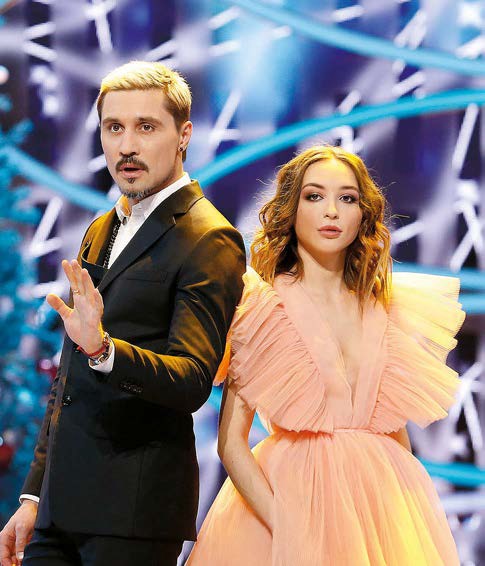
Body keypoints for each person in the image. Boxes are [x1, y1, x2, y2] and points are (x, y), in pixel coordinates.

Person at [0, 61, 246, 566]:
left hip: (133, 514)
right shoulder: (101, 228)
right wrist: (33, 495)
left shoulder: (209, 237)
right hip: (59, 512)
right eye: (114, 128)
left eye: (145, 127)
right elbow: (68, 378)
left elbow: (192, 380)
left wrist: (104, 350)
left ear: (184, 136)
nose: (126, 146)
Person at [187, 145, 464, 565]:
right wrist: (288, 527)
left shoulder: (385, 305)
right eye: (314, 196)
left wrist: (408, 524)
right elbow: (231, 443)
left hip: (379, 511)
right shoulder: (260, 307)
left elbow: (393, 432)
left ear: (363, 214)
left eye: (347, 198)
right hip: (290, 503)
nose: (331, 211)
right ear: (291, 209)